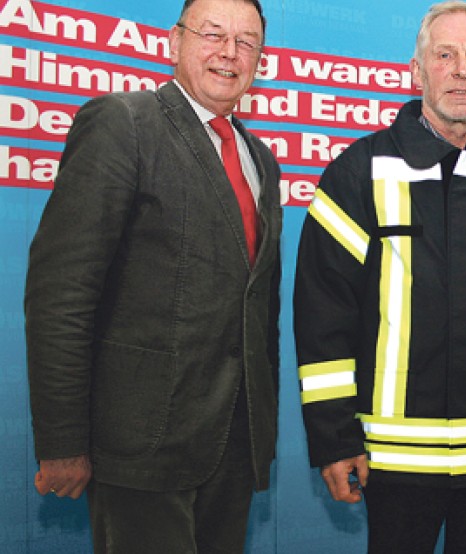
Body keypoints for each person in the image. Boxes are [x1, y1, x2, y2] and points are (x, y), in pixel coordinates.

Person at [293, 1, 466, 552]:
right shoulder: (359, 172)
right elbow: (323, 316)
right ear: (417, 71)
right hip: (393, 458)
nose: (462, 70)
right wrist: (333, 438)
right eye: (445, 55)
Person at [24, 0, 281, 551]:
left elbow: (259, 310)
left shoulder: (260, 159)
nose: (229, 53)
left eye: (246, 42)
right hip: (141, 447)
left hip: (233, 448)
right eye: (213, 34)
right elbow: (61, 295)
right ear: (174, 42)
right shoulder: (123, 123)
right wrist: (63, 440)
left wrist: (261, 430)